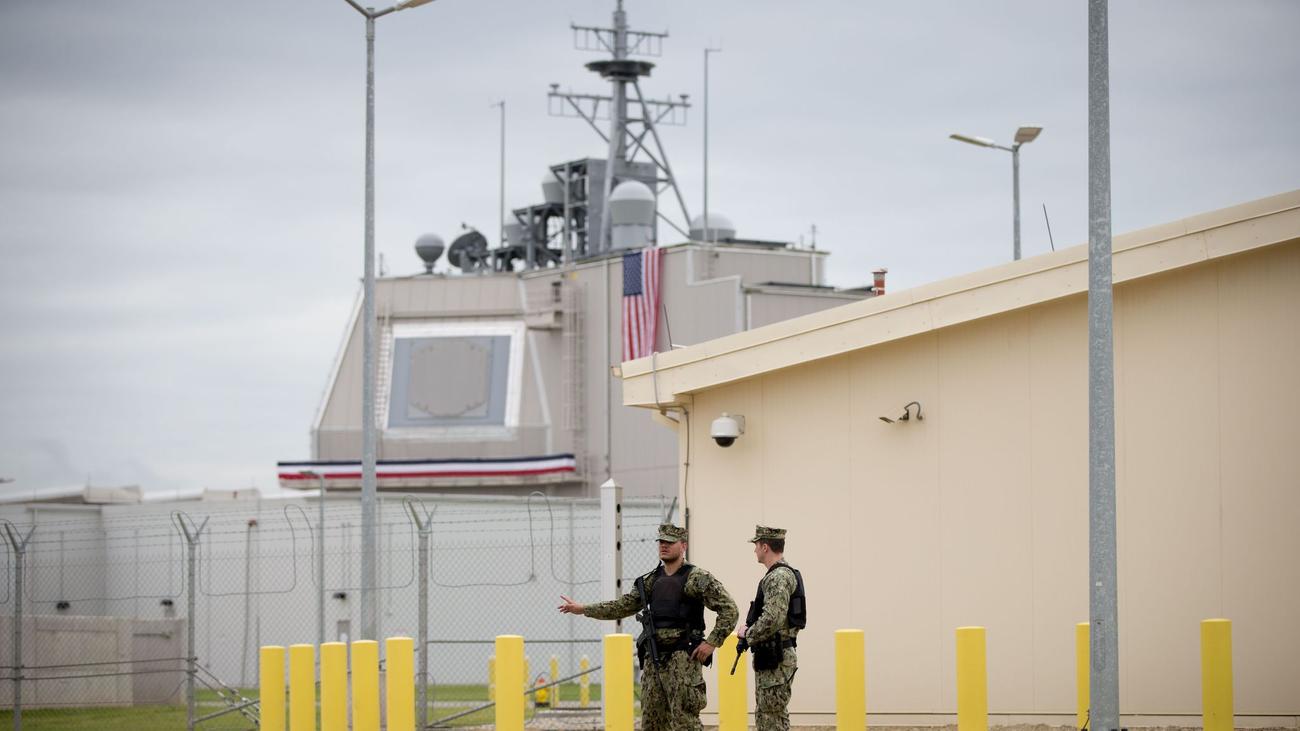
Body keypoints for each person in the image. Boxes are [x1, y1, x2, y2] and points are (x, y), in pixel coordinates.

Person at [559, 523, 738, 731]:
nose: (664, 546)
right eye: (661, 542)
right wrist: (583, 609)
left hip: (684, 659)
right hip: (654, 659)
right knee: (652, 721)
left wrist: (712, 643)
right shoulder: (650, 581)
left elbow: (729, 609)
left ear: (683, 546)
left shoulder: (697, 578)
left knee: (684, 722)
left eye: (669, 542)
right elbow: (622, 606)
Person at [739, 525, 806, 731]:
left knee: (771, 719)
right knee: (771, 716)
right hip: (773, 656)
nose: (754, 550)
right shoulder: (780, 574)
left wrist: (748, 634)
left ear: (765, 547)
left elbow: (773, 618)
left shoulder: (778, 577)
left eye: (756, 545)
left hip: (776, 658)